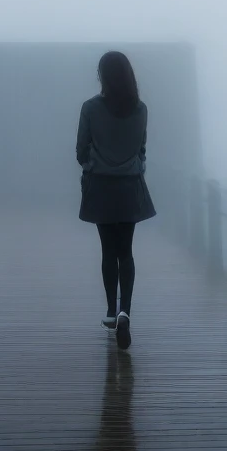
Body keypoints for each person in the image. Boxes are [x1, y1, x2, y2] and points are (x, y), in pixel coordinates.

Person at [76, 51, 156, 349]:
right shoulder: (141, 109)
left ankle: (111, 311)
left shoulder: (90, 108)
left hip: (101, 186)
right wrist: (134, 167)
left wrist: (93, 165)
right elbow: (142, 149)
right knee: (126, 251)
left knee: (108, 251)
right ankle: (126, 312)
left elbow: (81, 149)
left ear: (102, 75)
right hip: (130, 186)